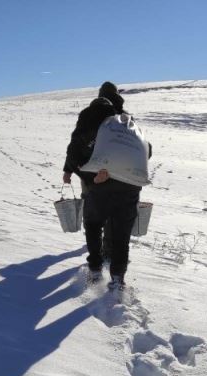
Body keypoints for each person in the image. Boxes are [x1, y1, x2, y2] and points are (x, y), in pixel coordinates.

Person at [62, 82, 148, 289]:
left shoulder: (89, 119)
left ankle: (95, 270)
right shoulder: (126, 120)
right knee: (121, 234)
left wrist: (89, 178)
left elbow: (74, 152)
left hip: (100, 187)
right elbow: (146, 151)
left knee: (92, 225)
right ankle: (118, 278)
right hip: (130, 186)